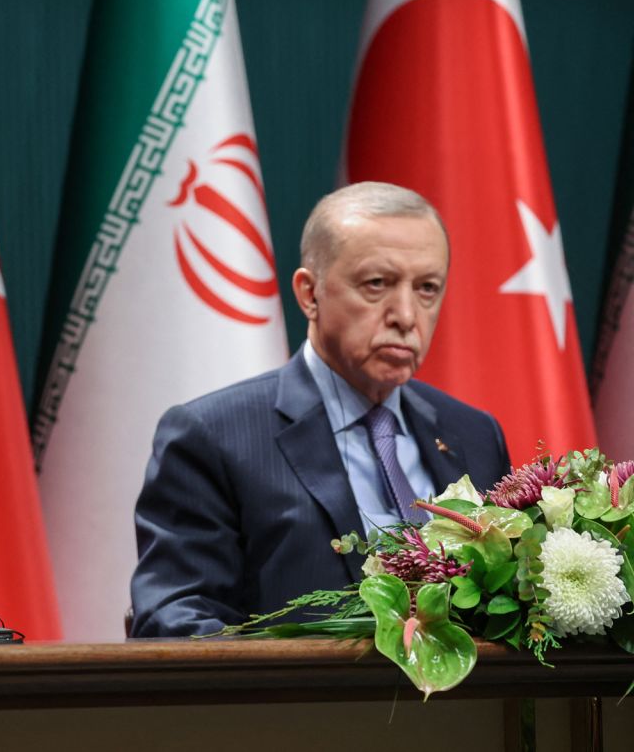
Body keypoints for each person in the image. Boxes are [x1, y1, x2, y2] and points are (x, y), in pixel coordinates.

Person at [129, 182, 510, 638]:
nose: (407, 316)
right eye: (377, 284)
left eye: (427, 288)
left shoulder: (473, 434)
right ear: (310, 294)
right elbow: (177, 622)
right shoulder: (211, 436)